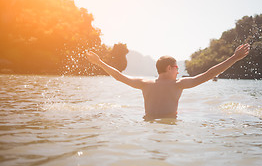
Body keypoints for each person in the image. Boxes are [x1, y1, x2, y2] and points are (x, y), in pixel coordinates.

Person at [86, 44, 250, 120]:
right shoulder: (179, 84)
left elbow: (118, 76)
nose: (178, 71)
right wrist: (235, 57)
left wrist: (99, 62)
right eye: (176, 67)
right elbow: (210, 74)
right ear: (169, 68)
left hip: (147, 125)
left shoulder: (145, 83)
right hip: (170, 127)